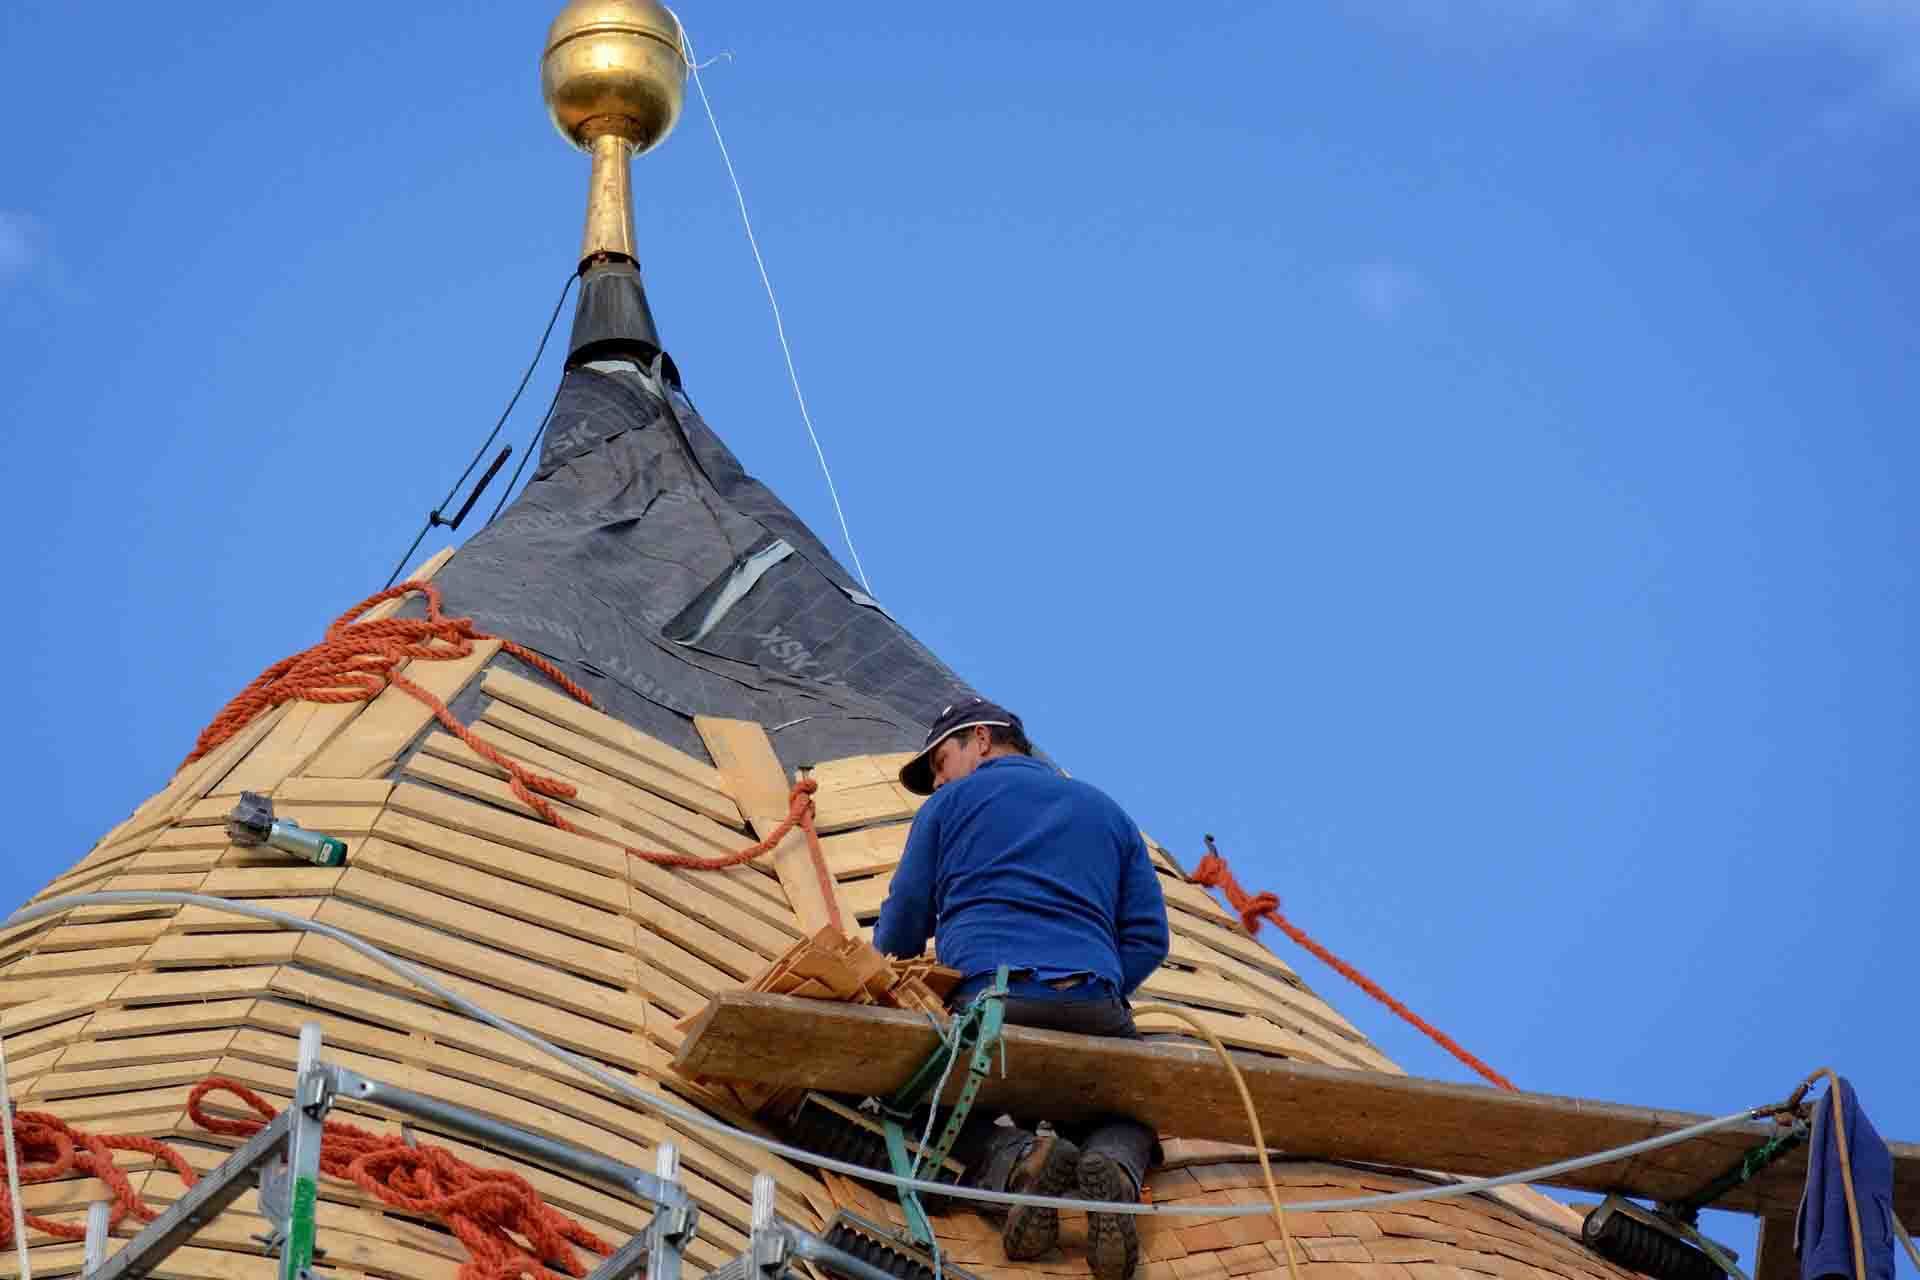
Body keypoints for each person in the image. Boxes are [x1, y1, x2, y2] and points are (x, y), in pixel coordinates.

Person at [874, 696, 1170, 1280]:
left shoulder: (951, 806)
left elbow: (904, 922)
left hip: (995, 1005)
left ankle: (1019, 1165)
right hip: (1095, 1003)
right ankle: (1110, 1164)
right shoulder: (1105, 810)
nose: (939, 780)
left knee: (921, 1111)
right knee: (1132, 1113)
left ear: (981, 739)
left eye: (940, 761)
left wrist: (883, 969)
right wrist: (1097, 982)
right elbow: (1149, 937)